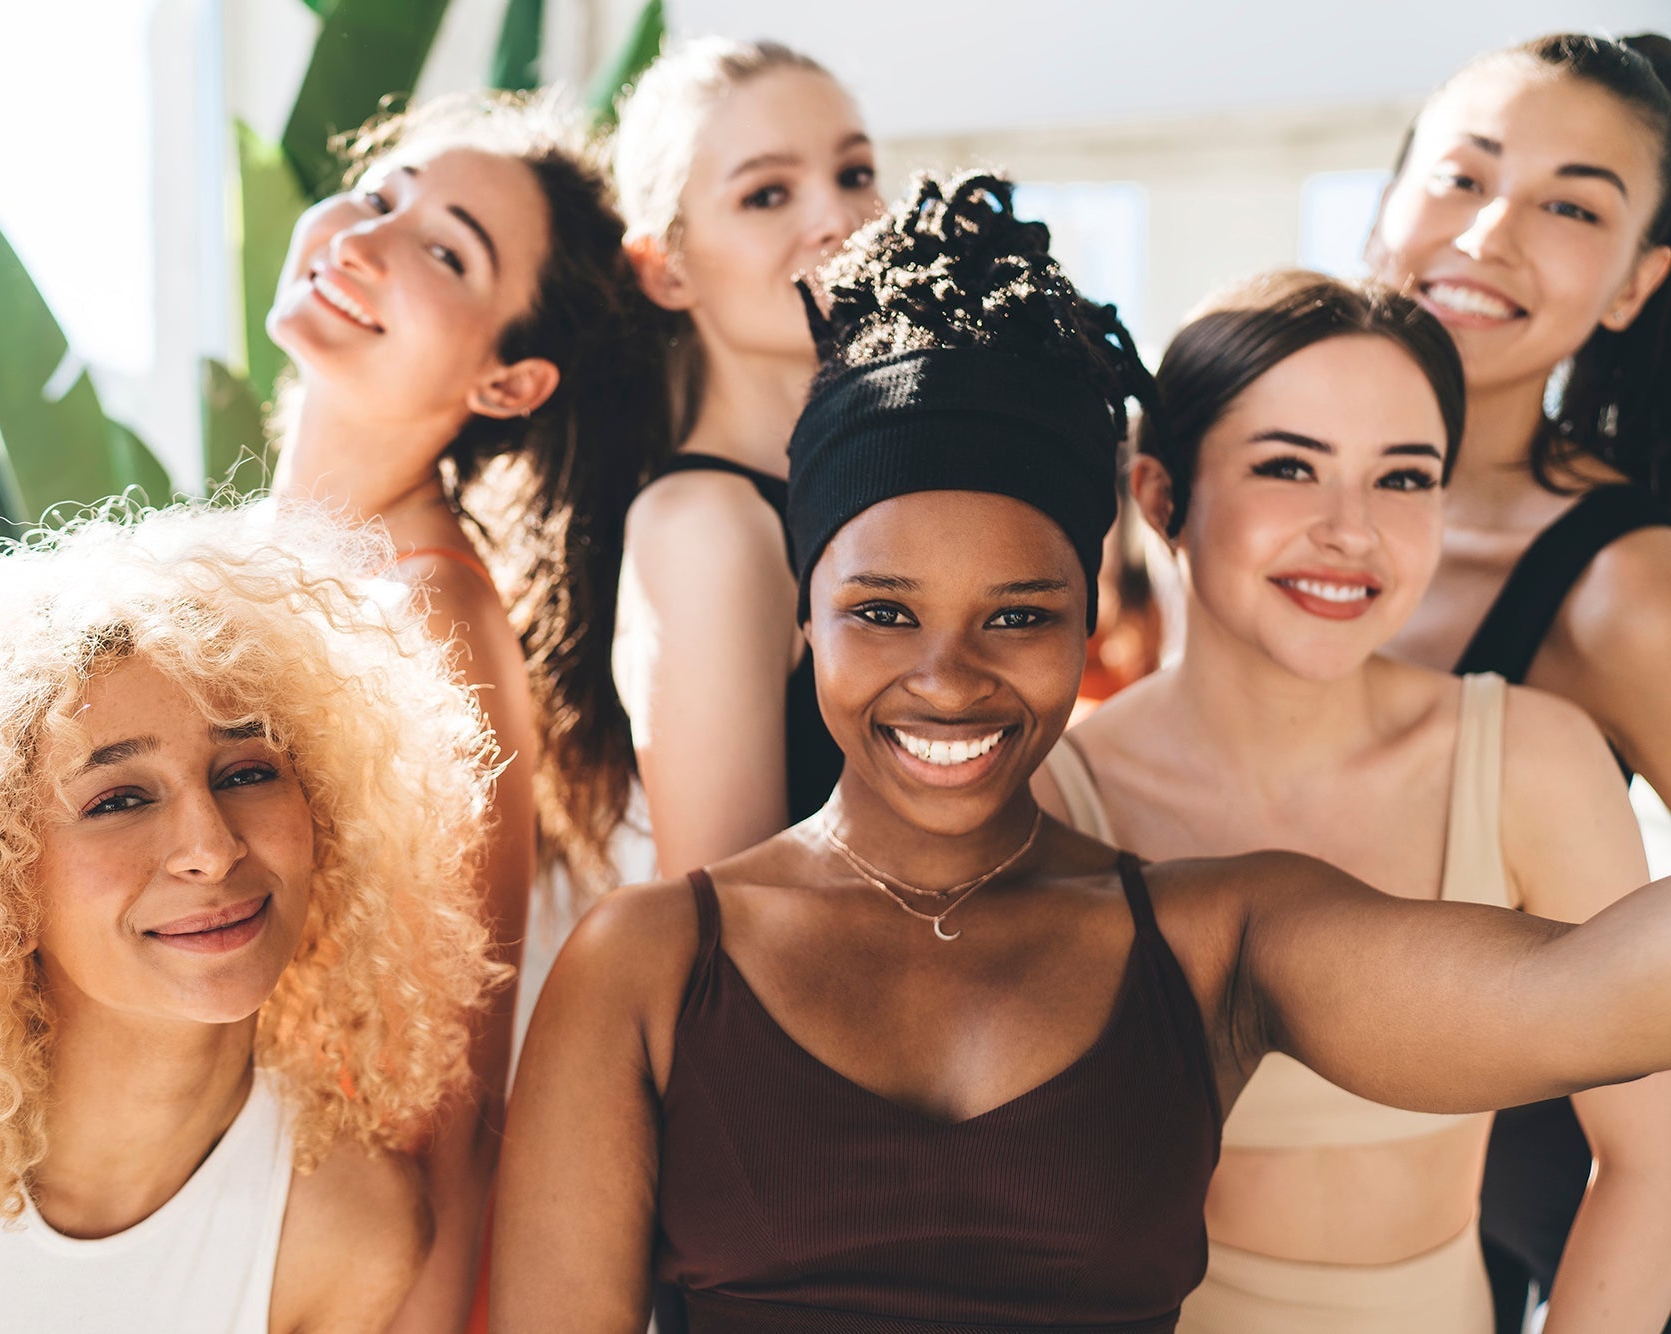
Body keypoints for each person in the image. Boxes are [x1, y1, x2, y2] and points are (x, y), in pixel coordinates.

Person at [491, 171, 1671, 1334]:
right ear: (805, 618)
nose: (947, 678)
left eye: (1017, 614)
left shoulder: (1218, 938)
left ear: (1086, 620)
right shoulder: (644, 966)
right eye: (883, 612)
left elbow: (1581, 996)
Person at [0, 502, 502, 1332]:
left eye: (247, 771)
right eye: (119, 798)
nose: (210, 848)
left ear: (323, 807)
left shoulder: (343, 1228)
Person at [1032, 269, 1671, 1331]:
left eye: (1403, 477)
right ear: (1157, 495)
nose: (1350, 529)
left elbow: (1651, 1160)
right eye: (1288, 466)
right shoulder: (1056, 799)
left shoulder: (1526, 758)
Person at [266, 91, 665, 1325]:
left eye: (445, 251)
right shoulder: (249, 561)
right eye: (380, 190)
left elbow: (452, 1101)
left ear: (508, 380)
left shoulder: (431, 627)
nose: (366, 237)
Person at [1368, 33, 1671, 1326]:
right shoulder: (1212, 488)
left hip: (1509, 1233)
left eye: (1569, 205)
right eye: (1462, 174)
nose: (1490, 231)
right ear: (1391, 200)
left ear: (1632, 285)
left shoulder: (1621, 585)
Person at [610, 38, 882, 875]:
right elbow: (724, 917)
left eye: (854, 173)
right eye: (768, 194)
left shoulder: (865, 494)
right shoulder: (705, 527)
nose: (836, 219)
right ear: (667, 269)